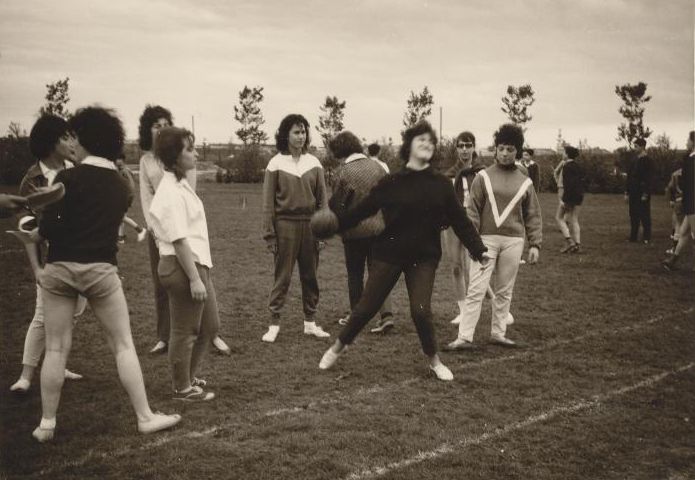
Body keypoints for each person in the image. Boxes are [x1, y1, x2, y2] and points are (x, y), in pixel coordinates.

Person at [32, 106, 180, 442]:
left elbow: (48, 230)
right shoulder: (120, 184)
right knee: (123, 345)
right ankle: (144, 416)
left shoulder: (65, 179)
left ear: (83, 138)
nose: (70, 141)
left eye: (73, 135)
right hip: (101, 270)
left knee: (55, 349)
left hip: (59, 268)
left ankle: (46, 424)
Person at [316, 121, 488, 381]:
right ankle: (338, 347)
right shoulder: (391, 182)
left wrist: (478, 249)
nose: (427, 144)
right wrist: (335, 225)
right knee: (365, 307)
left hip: (424, 257)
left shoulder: (441, 184)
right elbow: (363, 210)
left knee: (420, 310)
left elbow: (459, 219)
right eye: (421, 140)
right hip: (389, 253)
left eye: (431, 141)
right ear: (409, 146)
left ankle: (434, 361)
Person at [138, 105, 230, 355]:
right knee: (167, 286)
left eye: (166, 124)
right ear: (148, 129)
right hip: (163, 232)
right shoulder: (146, 161)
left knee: (200, 285)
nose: (161, 128)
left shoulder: (183, 165)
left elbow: (188, 194)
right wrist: (156, 231)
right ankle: (165, 337)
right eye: (156, 124)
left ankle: (210, 333)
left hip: (182, 232)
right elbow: (147, 198)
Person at [446, 123, 542, 351]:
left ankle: (498, 334)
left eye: (510, 149)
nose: (506, 153)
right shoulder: (483, 177)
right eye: (501, 149)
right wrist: (473, 243)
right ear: (495, 150)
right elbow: (473, 211)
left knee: (504, 290)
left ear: (517, 151)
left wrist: (535, 244)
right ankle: (464, 337)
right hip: (485, 241)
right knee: (476, 290)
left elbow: (533, 214)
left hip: (514, 241)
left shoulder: (525, 180)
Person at [10, 115, 85, 393]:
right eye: (65, 137)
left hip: (82, 256)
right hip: (51, 261)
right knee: (43, 315)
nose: (72, 142)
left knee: (73, 313)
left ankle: (57, 363)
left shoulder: (78, 170)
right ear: (51, 143)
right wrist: (37, 271)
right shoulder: (31, 180)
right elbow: (26, 230)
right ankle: (26, 376)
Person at [149, 127, 219, 401]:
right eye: (189, 149)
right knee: (185, 330)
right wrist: (193, 278)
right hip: (182, 267)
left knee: (210, 326)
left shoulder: (179, 184)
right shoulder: (169, 191)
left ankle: (188, 377)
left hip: (196, 264)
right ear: (174, 157)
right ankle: (182, 388)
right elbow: (178, 240)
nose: (196, 153)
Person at [261, 114, 330, 343]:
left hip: (311, 226)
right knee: (283, 277)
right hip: (285, 227)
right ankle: (274, 323)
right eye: (296, 132)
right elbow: (267, 203)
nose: (301, 137)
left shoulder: (315, 163)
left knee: (310, 276)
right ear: (285, 135)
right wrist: (270, 235)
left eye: (303, 132)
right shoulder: (275, 164)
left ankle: (310, 323)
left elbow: (323, 202)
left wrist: (322, 232)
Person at [328, 131, 394, 333]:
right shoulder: (379, 167)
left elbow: (340, 204)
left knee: (355, 274)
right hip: (379, 229)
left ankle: (356, 316)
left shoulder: (343, 172)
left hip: (354, 232)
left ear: (340, 151)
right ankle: (386, 315)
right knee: (379, 273)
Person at [444, 131, 483, 325]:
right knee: (456, 267)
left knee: (475, 265)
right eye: (461, 146)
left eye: (468, 145)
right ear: (457, 149)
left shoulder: (482, 173)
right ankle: (463, 310)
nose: (465, 150)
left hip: (474, 222)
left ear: (474, 147)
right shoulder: (450, 174)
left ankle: (494, 303)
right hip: (452, 223)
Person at [663, 131, 695, 271]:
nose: (686, 142)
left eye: (688, 140)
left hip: (692, 203)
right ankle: (672, 262)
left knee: (692, 233)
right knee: (683, 232)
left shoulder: (692, 160)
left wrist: (684, 199)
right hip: (690, 202)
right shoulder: (690, 159)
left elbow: (690, 184)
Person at [625, 138, 654, 244]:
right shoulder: (634, 160)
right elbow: (629, 177)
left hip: (642, 192)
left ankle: (646, 237)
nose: (634, 148)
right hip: (633, 191)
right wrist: (627, 192)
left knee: (644, 214)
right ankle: (633, 236)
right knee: (633, 214)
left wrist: (646, 193)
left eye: (636, 146)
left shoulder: (648, 161)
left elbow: (649, 179)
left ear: (642, 147)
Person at [557, 145, 584, 253]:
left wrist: (563, 200)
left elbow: (568, 184)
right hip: (579, 196)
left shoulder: (567, 167)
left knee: (559, 218)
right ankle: (578, 244)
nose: (562, 154)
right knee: (574, 219)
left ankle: (570, 242)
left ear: (567, 154)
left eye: (563, 152)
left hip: (570, 197)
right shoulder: (578, 166)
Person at [114, 156, 147, 244]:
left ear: (122, 160)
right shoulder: (122, 170)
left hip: (125, 196)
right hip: (125, 196)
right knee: (122, 216)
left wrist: (127, 196)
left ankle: (140, 230)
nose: (116, 160)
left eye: (118, 159)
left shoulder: (124, 171)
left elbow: (131, 185)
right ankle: (120, 237)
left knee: (120, 216)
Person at [664, 159, 684, 254]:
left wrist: (672, 199)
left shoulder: (676, 174)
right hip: (689, 201)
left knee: (678, 224)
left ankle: (675, 248)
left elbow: (670, 188)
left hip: (680, 200)